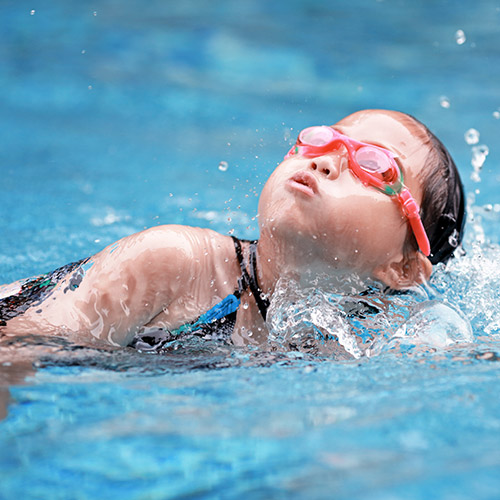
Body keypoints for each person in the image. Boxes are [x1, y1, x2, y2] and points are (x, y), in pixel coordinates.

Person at [0, 109, 465, 349]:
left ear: (403, 269)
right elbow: (18, 345)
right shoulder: (175, 261)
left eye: (374, 164)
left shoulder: (348, 345)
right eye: (324, 139)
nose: (325, 160)